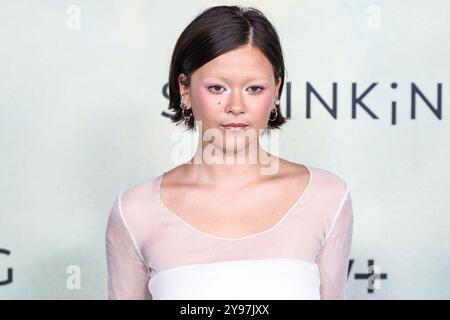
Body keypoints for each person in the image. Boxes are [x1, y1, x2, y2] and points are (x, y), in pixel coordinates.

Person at [105, 5, 353, 300]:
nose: (236, 106)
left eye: (254, 89)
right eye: (217, 88)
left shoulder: (327, 198)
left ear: (277, 89)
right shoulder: (135, 211)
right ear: (184, 87)